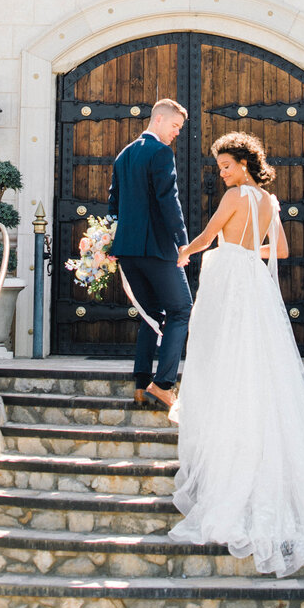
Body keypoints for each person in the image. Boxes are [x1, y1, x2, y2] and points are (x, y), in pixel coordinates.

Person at [170, 131, 304, 577]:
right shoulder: (269, 202)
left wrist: (183, 254)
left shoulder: (235, 196)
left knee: (224, 357)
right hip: (256, 284)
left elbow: (207, 235)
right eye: (221, 167)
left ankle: (230, 450)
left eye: (225, 165)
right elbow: (279, 250)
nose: (221, 172)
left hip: (229, 281)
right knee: (261, 364)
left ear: (243, 164)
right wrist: (247, 252)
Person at [108, 98, 192, 410]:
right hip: (157, 249)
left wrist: (109, 244)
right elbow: (168, 200)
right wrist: (182, 241)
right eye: (175, 126)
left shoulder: (123, 155)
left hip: (127, 253)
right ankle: (164, 384)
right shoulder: (160, 152)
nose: (177, 133)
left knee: (150, 314)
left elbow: (113, 206)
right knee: (181, 310)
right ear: (158, 120)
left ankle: (141, 385)